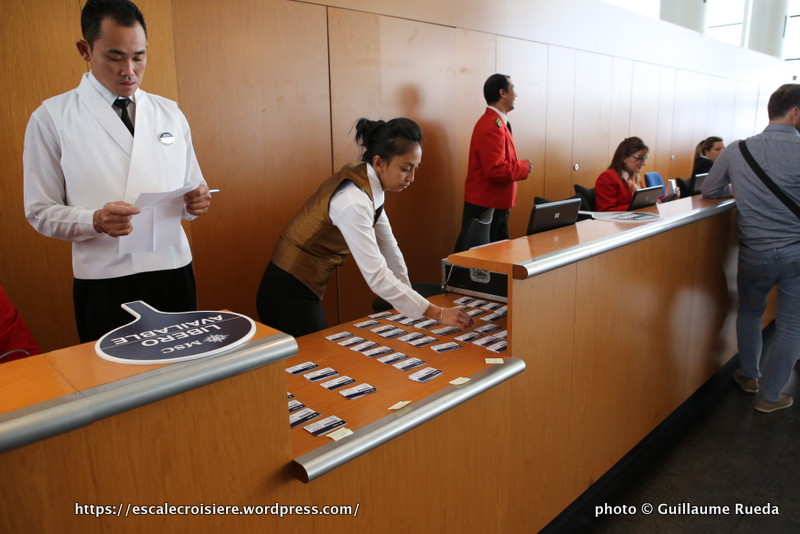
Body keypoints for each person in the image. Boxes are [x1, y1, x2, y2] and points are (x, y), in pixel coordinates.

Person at [23, 0, 212, 343]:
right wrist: (95, 220)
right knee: (116, 385)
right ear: (85, 50)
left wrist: (196, 202)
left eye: (139, 56)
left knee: (184, 382)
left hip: (173, 269)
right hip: (104, 280)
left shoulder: (169, 112)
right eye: (115, 57)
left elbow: (193, 187)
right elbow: (39, 212)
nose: (129, 70)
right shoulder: (52, 117)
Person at [257, 118, 473, 338]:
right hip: (285, 295)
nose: (412, 178)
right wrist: (437, 313)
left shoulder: (369, 183)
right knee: (317, 358)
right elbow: (376, 275)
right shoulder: (353, 201)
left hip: (303, 289)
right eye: (406, 169)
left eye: (415, 168)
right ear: (379, 163)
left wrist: (411, 299)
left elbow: (390, 250)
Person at [703, 83, 800, 413]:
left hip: (754, 251)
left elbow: (711, 189)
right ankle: (771, 397)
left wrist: (747, 190)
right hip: (796, 252)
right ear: (795, 112)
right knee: (791, 326)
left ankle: (749, 375)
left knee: (749, 311)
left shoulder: (737, 150)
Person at [462, 74, 532, 242]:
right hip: (487, 208)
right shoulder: (493, 125)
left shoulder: (498, 123)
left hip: (495, 205)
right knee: (486, 263)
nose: (516, 95)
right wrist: (524, 167)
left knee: (499, 262)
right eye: (513, 89)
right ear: (503, 93)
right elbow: (496, 170)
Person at [594, 137, 649, 212]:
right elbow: (606, 211)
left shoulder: (635, 177)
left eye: (645, 158)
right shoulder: (607, 177)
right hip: (614, 223)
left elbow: (643, 201)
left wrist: (663, 198)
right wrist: (636, 206)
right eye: (639, 158)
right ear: (624, 158)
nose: (644, 163)